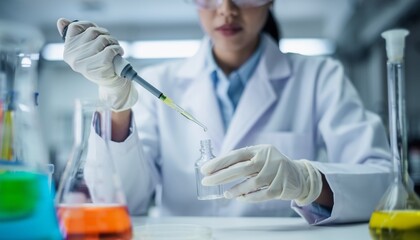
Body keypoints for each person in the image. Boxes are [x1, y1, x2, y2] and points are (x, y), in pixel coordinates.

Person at [56, 0, 392, 225]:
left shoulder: (321, 77)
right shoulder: (159, 81)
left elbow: (386, 185)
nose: (226, 9)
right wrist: (116, 103)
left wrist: (309, 182)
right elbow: (122, 202)